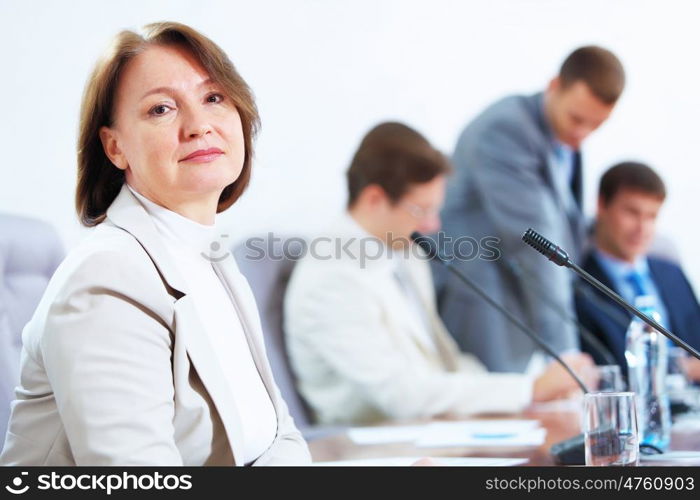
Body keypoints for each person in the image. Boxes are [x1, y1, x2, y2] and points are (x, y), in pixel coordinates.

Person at [0, 22, 310, 466]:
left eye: (214, 98)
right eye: (162, 109)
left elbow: (280, 439)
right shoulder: (107, 276)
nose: (199, 125)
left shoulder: (213, 259)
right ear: (115, 148)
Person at [284, 122, 593, 426]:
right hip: (372, 444)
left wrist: (527, 399)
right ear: (374, 199)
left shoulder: (404, 254)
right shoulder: (332, 276)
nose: (433, 226)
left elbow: (445, 363)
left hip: (431, 430)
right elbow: (400, 395)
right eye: (422, 210)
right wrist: (528, 390)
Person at [438, 46, 626, 373]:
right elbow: (540, 247)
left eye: (595, 126)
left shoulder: (560, 135)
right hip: (485, 304)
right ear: (554, 85)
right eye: (577, 119)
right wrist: (566, 355)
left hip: (522, 303)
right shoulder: (506, 130)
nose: (581, 135)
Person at [575, 162, 700, 379]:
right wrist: (680, 370)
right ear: (602, 205)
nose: (642, 228)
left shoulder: (671, 274)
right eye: (632, 213)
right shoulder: (580, 285)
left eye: (651, 216)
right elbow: (603, 371)